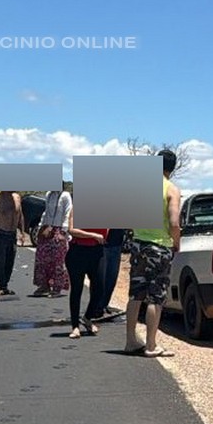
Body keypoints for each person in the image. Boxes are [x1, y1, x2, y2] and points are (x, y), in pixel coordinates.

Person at [125, 150, 181, 357]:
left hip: (139, 245)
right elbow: (174, 222)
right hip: (159, 246)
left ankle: (131, 341)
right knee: (155, 297)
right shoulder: (171, 189)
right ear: (172, 168)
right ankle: (151, 344)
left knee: (136, 294)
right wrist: (176, 242)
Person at [65, 205, 107, 338]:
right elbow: (72, 230)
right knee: (77, 289)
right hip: (78, 251)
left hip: (97, 251)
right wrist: (93, 235)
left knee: (100, 288)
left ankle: (87, 317)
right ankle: (75, 326)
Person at [31, 182, 72, 297]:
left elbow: (67, 213)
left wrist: (63, 232)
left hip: (59, 230)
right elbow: (46, 213)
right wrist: (41, 227)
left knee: (58, 261)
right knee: (42, 258)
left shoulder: (65, 195)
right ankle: (44, 285)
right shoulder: (49, 194)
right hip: (47, 229)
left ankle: (57, 287)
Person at [85, 228, 126, 322]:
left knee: (111, 278)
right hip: (100, 243)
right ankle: (96, 308)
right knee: (100, 278)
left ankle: (102, 306)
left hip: (116, 242)